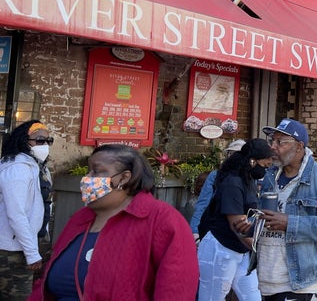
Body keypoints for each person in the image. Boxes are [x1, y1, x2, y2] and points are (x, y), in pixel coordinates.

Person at [29, 144, 198, 300]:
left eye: (96, 171)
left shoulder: (162, 220)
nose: (86, 179)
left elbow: (176, 290)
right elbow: (44, 284)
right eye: (88, 171)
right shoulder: (80, 219)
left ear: (124, 178)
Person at [248, 119, 317, 301]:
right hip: (267, 278)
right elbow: (264, 218)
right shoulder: (268, 176)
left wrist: (290, 223)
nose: (273, 147)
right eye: (272, 141)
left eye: (280, 142)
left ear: (299, 147)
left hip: (302, 282)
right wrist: (249, 225)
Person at [197, 138, 273, 300]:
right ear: (253, 161)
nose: (265, 170)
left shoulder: (247, 180)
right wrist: (262, 248)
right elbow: (237, 225)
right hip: (221, 248)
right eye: (265, 165)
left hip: (241, 250)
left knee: (252, 297)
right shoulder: (233, 182)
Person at [0, 121, 48, 300]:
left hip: (16, 246)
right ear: (23, 140)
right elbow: (16, 214)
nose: (44, 145)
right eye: (39, 140)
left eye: (47, 140)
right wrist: (32, 252)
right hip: (11, 249)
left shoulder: (31, 166)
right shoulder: (18, 169)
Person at [190, 139, 246, 238]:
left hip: (241, 233)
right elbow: (203, 203)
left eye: (238, 154)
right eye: (231, 154)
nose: (234, 158)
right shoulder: (215, 176)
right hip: (216, 229)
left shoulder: (250, 179)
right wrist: (195, 230)